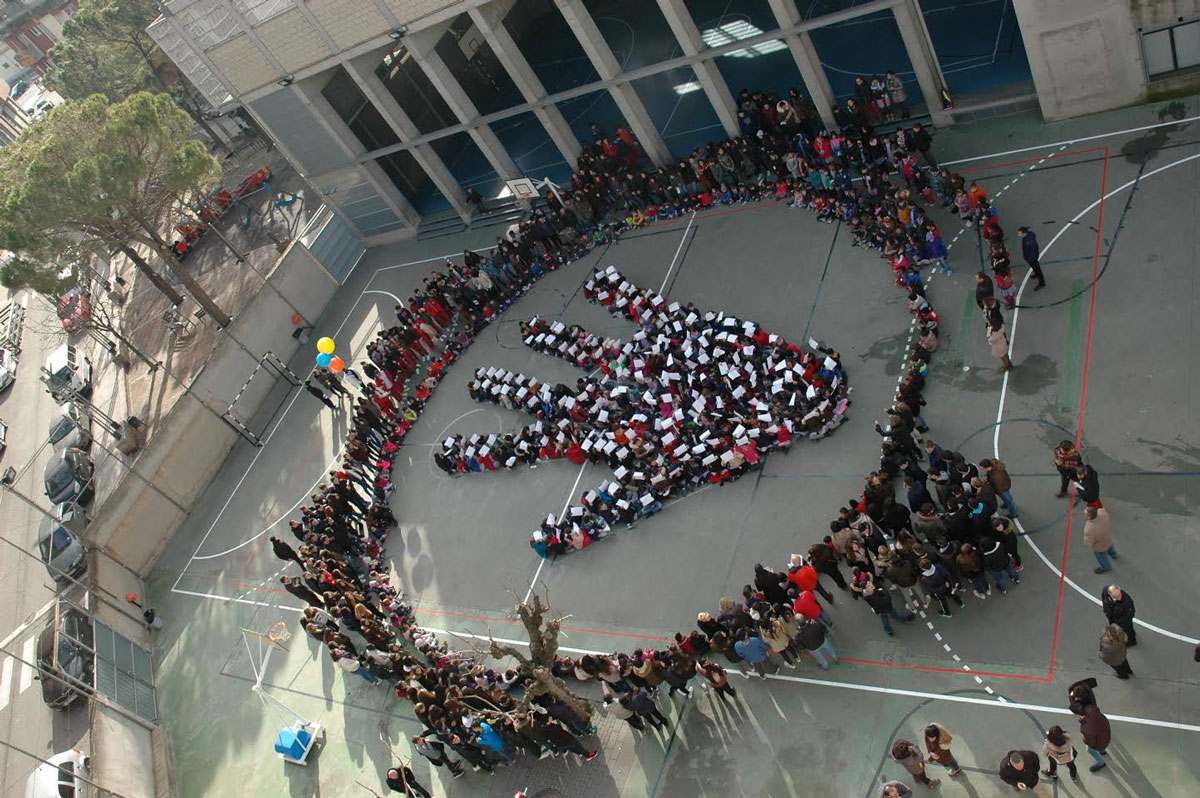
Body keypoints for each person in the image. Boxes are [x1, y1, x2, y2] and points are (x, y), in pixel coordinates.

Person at [1071, 698, 1111, 772]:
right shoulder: (1092, 709)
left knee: (1090, 749)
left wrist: (1084, 739)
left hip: (1099, 740)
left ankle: (1101, 763)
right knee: (1101, 742)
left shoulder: (1085, 729)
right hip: (1105, 732)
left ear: (1078, 715)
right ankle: (1102, 750)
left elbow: (1091, 743)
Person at [1083, 506, 1118, 573]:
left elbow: (1088, 542)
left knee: (1101, 555)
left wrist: (1087, 544)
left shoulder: (1089, 528)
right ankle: (1114, 555)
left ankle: (1106, 567)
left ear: (1089, 517)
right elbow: (1103, 509)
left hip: (1099, 546)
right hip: (1107, 538)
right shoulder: (1102, 513)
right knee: (1110, 546)